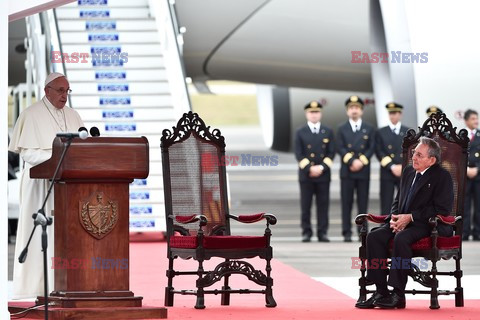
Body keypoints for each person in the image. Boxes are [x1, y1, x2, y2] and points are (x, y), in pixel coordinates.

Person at [9, 72, 84, 299]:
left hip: (66, 184)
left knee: (62, 234)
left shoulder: (73, 115)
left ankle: (62, 283)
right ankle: (35, 287)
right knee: (41, 234)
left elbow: (82, 146)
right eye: (60, 91)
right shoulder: (30, 115)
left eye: (67, 91)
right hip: (39, 184)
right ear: (46, 91)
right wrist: (56, 158)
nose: (65, 96)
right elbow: (28, 153)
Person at [355, 137, 453, 309]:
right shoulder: (408, 171)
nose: (414, 157)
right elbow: (397, 200)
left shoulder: (442, 176)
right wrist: (394, 218)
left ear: (431, 160)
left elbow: (442, 209)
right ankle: (381, 291)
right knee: (374, 236)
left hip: (428, 225)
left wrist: (411, 217)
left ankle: (398, 293)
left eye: (419, 155)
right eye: (414, 153)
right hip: (402, 221)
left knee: (401, 238)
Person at [295, 101, 335, 242]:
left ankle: (322, 232)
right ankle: (306, 232)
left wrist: (321, 168)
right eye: (311, 112)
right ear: (307, 114)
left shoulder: (327, 131)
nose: (314, 114)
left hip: (323, 175)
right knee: (306, 205)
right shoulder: (300, 132)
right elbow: (299, 154)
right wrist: (309, 168)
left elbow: (331, 153)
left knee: (323, 205)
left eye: (316, 112)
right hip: (306, 175)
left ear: (320, 114)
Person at [336, 96, 375, 242]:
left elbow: (372, 147)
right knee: (347, 203)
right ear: (347, 111)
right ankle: (346, 232)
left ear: (361, 111)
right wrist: (352, 161)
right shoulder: (341, 128)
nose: (354, 110)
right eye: (351, 108)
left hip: (363, 171)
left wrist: (361, 161)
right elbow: (339, 147)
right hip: (347, 171)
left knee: (363, 202)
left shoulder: (369, 128)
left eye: (357, 108)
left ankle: (362, 231)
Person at [375, 103, 409, 215]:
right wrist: (392, 166)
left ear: (400, 114)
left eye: (395, 113)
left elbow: (411, 151)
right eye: (390, 113)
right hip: (387, 171)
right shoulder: (381, 132)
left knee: (405, 202)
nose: (392, 116)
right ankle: (384, 227)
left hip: (403, 171)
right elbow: (379, 151)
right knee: (386, 202)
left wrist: (402, 166)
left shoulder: (407, 131)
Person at [463, 109, 480, 241]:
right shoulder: (460, 136)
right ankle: (464, 231)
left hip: (478, 175)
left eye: (477, 118)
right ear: (466, 120)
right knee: (464, 205)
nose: (476, 121)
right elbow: (455, 155)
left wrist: (477, 169)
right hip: (464, 176)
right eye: (473, 119)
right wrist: (465, 169)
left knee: (479, 204)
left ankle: (477, 232)